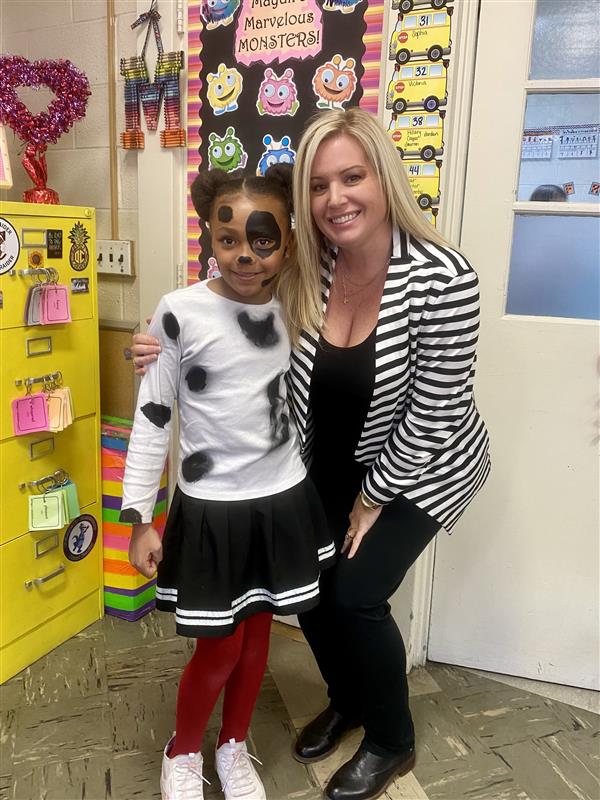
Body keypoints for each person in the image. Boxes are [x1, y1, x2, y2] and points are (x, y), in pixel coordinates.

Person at [133, 108, 491, 800]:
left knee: (354, 595)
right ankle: (349, 699)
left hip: (423, 463)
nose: (336, 199)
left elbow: (436, 412)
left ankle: (392, 737)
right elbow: (230, 291)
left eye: (352, 177)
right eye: (320, 186)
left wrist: (372, 498)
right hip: (334, 454)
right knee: (310, 587)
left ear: (384, 178)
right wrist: (159, 344)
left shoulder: (444, 279)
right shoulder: (311, 263)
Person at [120, 164, 335, 800]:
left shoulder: (300, 302)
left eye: (262, 239)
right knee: (217, 649)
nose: (245, 255)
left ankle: (233, 744)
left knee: (257, 640)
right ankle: (183, 751)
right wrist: (138, 520)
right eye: (228, 239)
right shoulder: (179, 313)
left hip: (281, 500)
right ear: (208, 238)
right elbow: (153, 417)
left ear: (289, 240)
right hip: (212, 510)